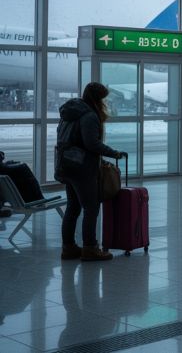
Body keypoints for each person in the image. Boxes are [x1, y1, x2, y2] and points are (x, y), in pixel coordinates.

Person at [57, 82, 125, 262]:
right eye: (103, 99)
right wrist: (113, 153)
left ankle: (68, 247)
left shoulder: (69, 113)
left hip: (66, 164)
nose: (104, 103)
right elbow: (92, 144)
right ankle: (90, 248)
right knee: (91, 207)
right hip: (82, 167)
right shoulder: (89, 115)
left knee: (73, 207)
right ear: (97, 99)